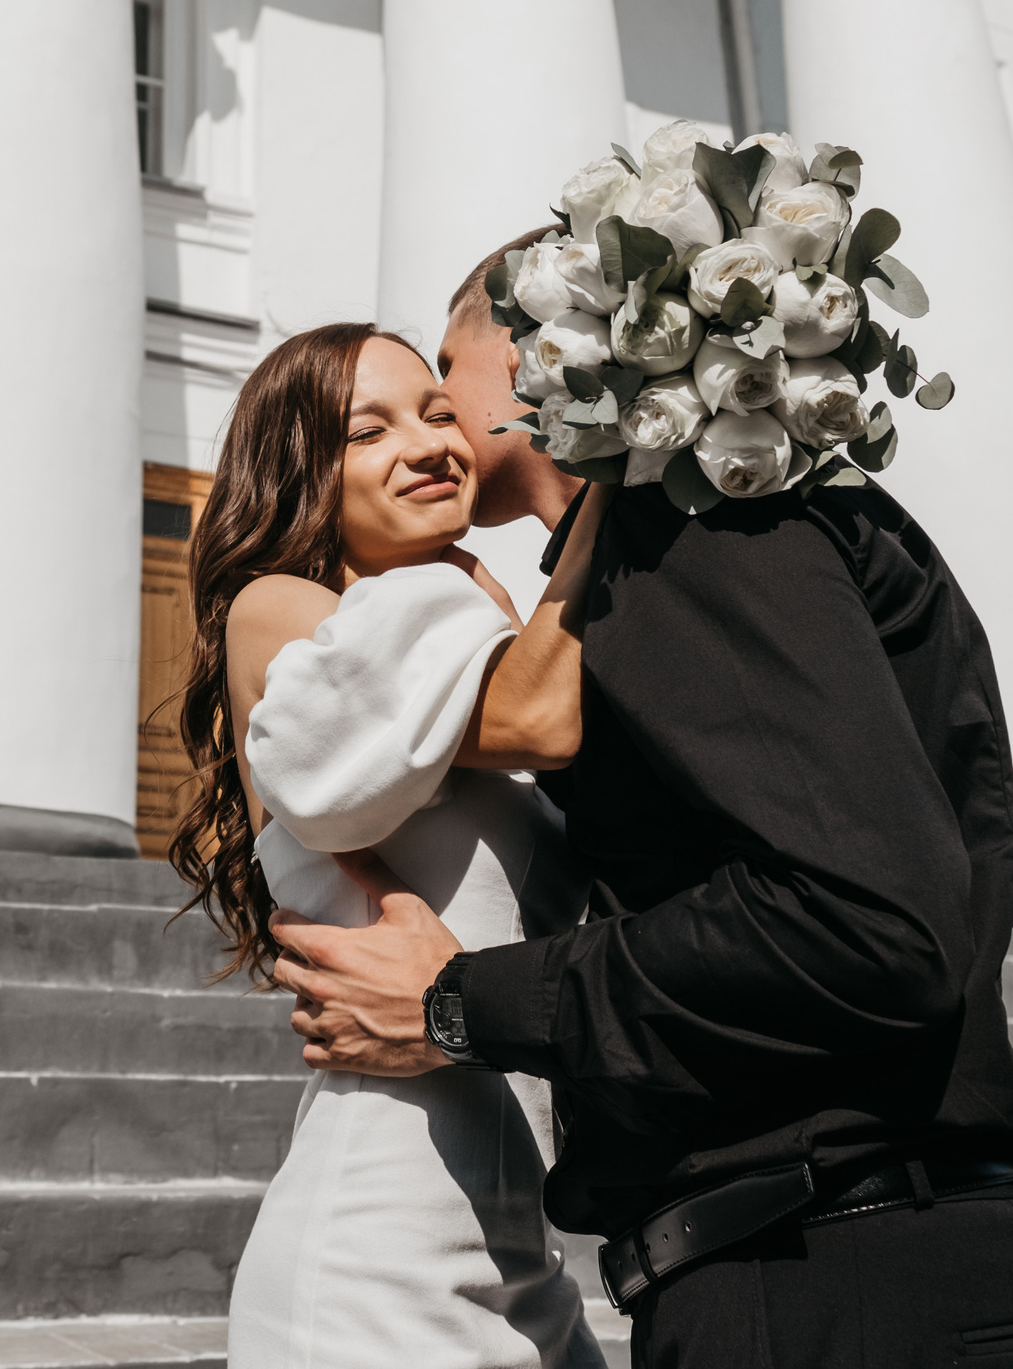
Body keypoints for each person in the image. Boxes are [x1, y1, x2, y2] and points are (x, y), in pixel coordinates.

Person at [263, 234, 1013, 1369]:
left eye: (440, 378)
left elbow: (861, 926)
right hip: (862, 1263)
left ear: (539, 356)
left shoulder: (690, 529)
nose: (432, 427)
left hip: (833, 1282)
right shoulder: (716, 529)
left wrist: (462, 1003)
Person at [172, 321, 613, 1368]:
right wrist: (622, 482)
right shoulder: (278, 608)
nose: (428, 444)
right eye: (367, 430)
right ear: (299, 474)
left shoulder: (462, 625)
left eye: (437, 412)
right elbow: (544, 719)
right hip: (377, 1249)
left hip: (515, 1240)